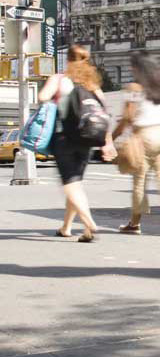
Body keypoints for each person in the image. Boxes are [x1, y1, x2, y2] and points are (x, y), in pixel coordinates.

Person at [38, 45, 115, 243]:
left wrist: (58, 100)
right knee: (76, 183)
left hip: (64, 137)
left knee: (70, 184)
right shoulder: (92, 84)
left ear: (68, 60)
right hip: (87, 139)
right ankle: (67, 227)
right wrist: (108, 142)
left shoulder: (59, 79)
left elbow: (42, 97)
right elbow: (104, 112)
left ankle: (89, 223)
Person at [113, 51, 160, 236]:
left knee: (140, 181)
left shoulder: (134, 88)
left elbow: (127, 118)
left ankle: (134, 224)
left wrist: (112, 137)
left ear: (137, 68)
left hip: (144, 136)